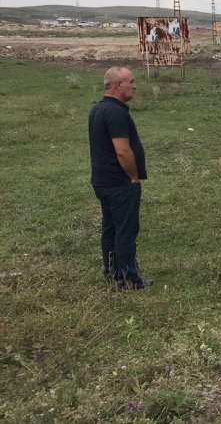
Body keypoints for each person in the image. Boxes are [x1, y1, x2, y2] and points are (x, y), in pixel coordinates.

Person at [88, 67, 153, 290]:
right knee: (125, 231)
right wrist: (133, 178)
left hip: (103, 181)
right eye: (131, 82)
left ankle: (113, 274)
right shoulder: (116, 113)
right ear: (118, 85)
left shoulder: (98, 109)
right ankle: (129, 280)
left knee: (111, 229)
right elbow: (122, 151)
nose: (134, 86)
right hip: (119, 183)